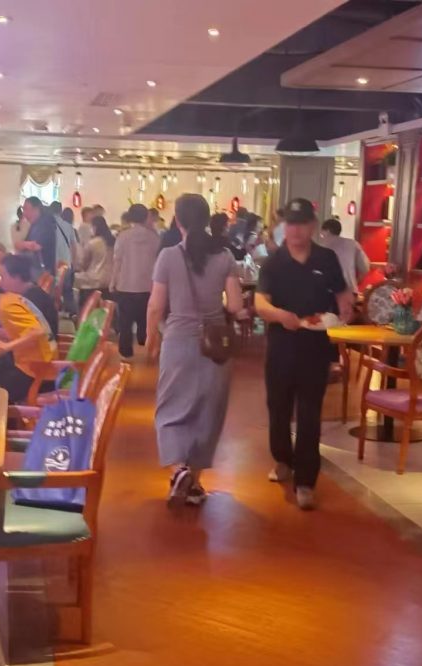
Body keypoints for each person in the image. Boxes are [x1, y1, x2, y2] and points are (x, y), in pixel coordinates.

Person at [255, 199, 353, 511]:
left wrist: (345, 308)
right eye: (291, 224)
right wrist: (279, 315)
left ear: (312, 226)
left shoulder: (326, 258)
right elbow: (260, 302)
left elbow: (342, 292)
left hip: (315, 348)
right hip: (281, 346)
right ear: (285, 226)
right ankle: (283, 459)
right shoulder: (274, 261)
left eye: (301, 224)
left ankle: (306, 481)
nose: (296, 230)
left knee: (310, 413)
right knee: (279, 408)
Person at [147, 194, 243, 505]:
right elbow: (236, 305)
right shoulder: (225, 257)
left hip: (178, 341)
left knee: (170, 410)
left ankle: (179, 471)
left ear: (178, 221)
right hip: (216, 345)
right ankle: (195, 483)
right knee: (208, 412)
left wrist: (150, 336)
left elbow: (156, 305)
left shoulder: (168, 256)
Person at [111, 204, 160, 359]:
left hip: (126, 285)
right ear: (146, 217)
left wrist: (113, 281)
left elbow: (117, 261)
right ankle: (145, 346)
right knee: (145, 319)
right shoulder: (154, 237)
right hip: (147, 285)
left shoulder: (123, 236)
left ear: (130, 217)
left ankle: (126, 352)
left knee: (125, 322)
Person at [0, 253, 58, 337]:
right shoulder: (30, 293)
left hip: (41, 344)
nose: (0, 283)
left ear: (17, 277)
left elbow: (32, 336)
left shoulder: (31, 301)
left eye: (3, 277)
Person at [316, 218, 370, 297]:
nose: (321, 235)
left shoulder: (319, 247)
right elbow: (365, 268)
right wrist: (355, 282)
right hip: (350, 291)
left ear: (327, 231)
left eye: (322, 232)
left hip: (326, 292)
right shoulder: (353, 244)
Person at [75, 215, 115, 308]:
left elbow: (84, 263)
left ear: (95, 227)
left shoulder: (92, 243)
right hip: (109, 282)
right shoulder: (113, 242)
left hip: (93, 282)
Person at [49, 201, 78, 316]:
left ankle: (53, 314)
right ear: (60, 211)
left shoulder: (48, 226)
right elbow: (74, 247)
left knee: (52, 291)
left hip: (53, 264)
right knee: (67, 292)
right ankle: (72, 314)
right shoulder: (68, 226)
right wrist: (74, 264)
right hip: (66, 264)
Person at [18, 196, 57, 278]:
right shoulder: (35, 224)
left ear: (36, 209)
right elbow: (24, 245)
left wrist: (23, 244)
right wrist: (24, 244)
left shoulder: (45, 224)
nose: (24, 214)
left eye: (26, 209)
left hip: (43, 272)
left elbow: (35, 246)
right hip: (38, 268)